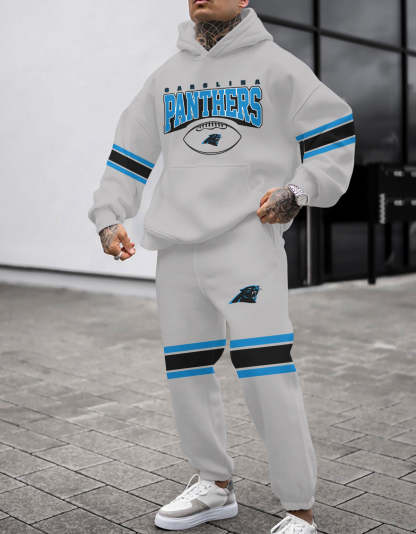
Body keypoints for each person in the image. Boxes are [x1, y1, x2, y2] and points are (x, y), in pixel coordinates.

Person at [88, 1, 356, 532]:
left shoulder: (277, 67)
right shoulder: (167, 76)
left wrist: (299, 190)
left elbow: (334, 132)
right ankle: (214, 484)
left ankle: (299, 509)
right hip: (176, 249)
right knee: (187, 371)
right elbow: (129, 152)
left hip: (245, 242)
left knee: (265, 370)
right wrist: (109, 215)